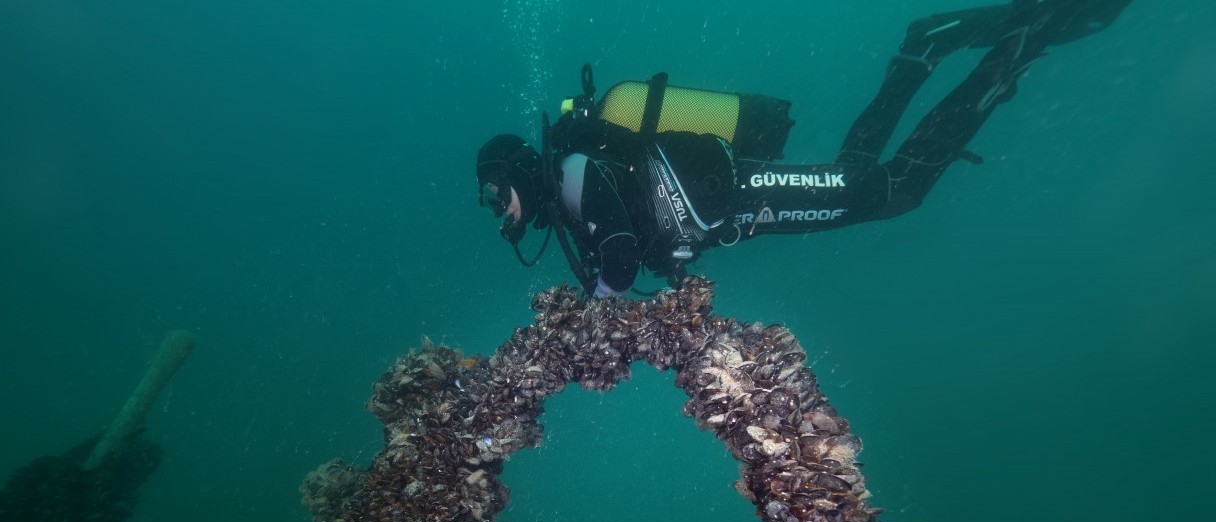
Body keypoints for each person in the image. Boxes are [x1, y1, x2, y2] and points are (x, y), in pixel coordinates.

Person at [476, 0, 1133, 297]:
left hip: (737, 196)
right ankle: (921, 50)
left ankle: (1004, 57)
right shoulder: (570, 184)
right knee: (860, 179)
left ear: (515, 172)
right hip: (735, 203)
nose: (497, 212)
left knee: (892, 192)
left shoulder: (569, 170)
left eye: (491, 194)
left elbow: (618, 259)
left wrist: (591, 320)